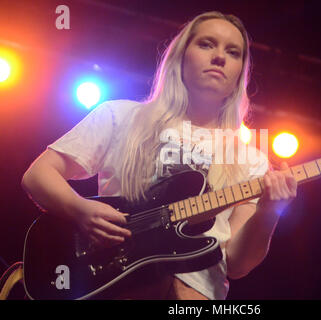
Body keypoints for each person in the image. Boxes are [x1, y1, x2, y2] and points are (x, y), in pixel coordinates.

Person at [21, 11, 297, 300]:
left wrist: (270, 212)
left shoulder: (252, 160)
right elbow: (37, 175)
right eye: (206, 44)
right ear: (181, 56)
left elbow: (237, 265)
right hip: (120, 285)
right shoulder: (120, 116)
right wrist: (80, 210)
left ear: (240, 72)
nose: (220, 57)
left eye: (233, 52)